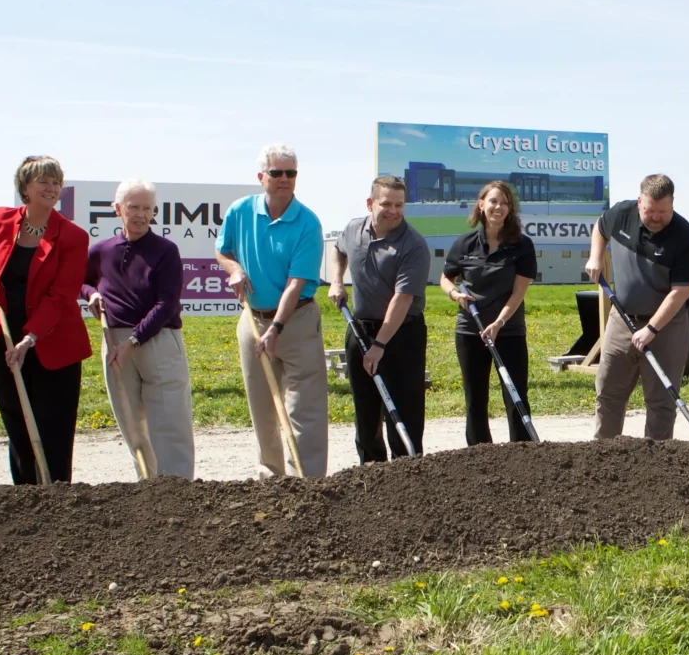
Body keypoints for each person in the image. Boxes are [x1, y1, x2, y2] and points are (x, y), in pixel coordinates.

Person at [0, 155, 90, 484]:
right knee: (18, 425)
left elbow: (61, 296)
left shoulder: (72, 236)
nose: (51, 187)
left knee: (53, 428)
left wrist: (30, 339)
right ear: (25, 188)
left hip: (53, 342)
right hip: (2, 339)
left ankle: (57, 498)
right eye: (43, 181)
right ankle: (25, 499)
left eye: (56, 182)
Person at [217, 144, 329, 478]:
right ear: (261, 177)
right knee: (262, 409)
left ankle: (308, 485)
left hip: (296, 323)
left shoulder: (307, 223)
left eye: (291, 173)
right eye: (277, 173)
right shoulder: (240, 211)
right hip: (252, 321)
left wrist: (276, 328)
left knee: (302, 410)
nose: (284, 179)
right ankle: (272, 480)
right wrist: (233, 269)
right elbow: (222, 251)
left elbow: (296, 284)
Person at [84, 178, 194, 479]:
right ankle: (147, 490)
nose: (141, 214)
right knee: (132, 423)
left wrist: (133, 341)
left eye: (147, 208)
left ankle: (177, 491)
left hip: (157, 339)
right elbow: (82, 281)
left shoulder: (165, 250)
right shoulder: (101, 250)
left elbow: (168, 303)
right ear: (118, 209)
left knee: (171, 422)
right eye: (134, 207)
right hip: (115, 341)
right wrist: (90, 294)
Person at [586, 175, 689, 440]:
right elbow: (600, 229)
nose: (657, 218)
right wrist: (595, 256)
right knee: (608, 393)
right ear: (640, 202)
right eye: (651, 211)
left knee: (661, 401)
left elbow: (681, 292)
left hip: (666, 326)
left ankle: (656, 463)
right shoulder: (621, 213)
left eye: (664, 212)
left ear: (673, 204)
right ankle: (604, 453)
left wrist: (651, 328)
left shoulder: (683, 236)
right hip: (622, 319)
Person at [332, 176, 430, 462]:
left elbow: (402, 300)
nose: (394, 211)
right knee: (365, 410)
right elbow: (339, 251)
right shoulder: (353, 229)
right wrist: (337, 280)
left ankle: (407, 472)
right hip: (360, 328)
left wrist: (380, 345)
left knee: (404, 411)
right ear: (370, 203)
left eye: (399, 205)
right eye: (386, 203)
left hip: (401, 335)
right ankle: (371, 473)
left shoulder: (413, 245)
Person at [442, 181, 538, 445]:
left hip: (508, 331)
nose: (499, 207)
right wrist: (455, 294)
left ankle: (523, 454)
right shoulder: (464, 243)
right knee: (475, 398)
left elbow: (518, 292)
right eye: (494, 201)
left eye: (505, 203)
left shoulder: (522, 245)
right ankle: (479, 456)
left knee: (515, 394)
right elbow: (445, 278)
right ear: (481, 204)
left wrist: (499, 322)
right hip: (470, 332)